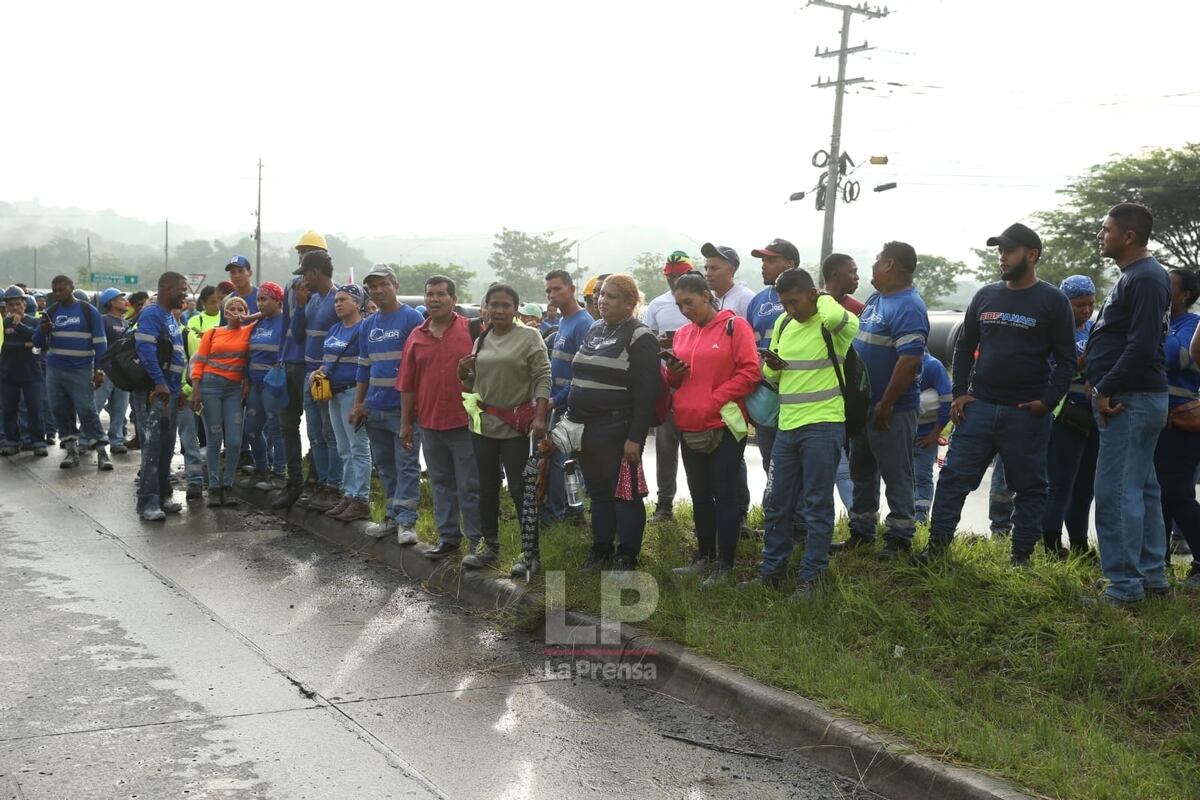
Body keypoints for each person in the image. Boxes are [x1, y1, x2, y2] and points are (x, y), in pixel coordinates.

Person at [913, 224, 1074, 566]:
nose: (1002, 257)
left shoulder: (1053, 300)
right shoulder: (985, 295)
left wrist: (1047, 402)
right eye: (1000, 250)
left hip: (1025, 412)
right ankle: (936, 549)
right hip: (979, 407)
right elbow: (964, 344)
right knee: (954, 478)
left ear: (1032, 255)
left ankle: (1021, 557)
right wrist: (959, 393)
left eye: (1009, 250)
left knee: (1029, 488)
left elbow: (1066, 360)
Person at [742, 268, 860, 598]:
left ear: (813, 294)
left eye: (795, 301)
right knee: (777, 501)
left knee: (816, 502)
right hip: (788, 425)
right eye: (784, 304)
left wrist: (821, 295)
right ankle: (772, 570)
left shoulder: (835, 322)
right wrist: (772, 366)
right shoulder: (783, 324)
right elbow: (772, 376)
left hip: (823, 425)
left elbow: (839, 317)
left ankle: (812, 575)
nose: (790, 310)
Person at [1084, 203, 1172, 605]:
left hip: (1129, 398)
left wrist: (1104, 387)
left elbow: (1142, 345)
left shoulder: (1147, 278)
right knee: (1143, 489)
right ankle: (1152, 577)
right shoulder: (1136, 277)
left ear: (1129, 236)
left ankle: (1122, 588)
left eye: (1106, 229)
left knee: (1117, 493)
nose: (1101, 235)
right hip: (1136, 396)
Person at [833, 242, 929, 559]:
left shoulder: (909, 305)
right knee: (862, 472)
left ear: (889, 264)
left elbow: (909, 360)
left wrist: (886, 404)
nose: (871, 267)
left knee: (897, 474)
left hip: (892, 410)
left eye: (875, 261)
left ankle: (899, 537)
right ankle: (861, 531)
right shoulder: (876, 300)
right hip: (863, 407)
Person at [666, 272, 759, 586]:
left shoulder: (735, 327)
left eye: (689, 302)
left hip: (725, 424)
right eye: (679, 304)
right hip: (689, 424)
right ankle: (704, 555)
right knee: (699, 495)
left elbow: (750, 372)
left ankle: (725, 562)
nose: (684, 309)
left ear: (706, 295)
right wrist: (673, 375)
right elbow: (675, 382)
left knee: (724, 493)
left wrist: (715, 399)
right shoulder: (681, 334)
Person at [567, 274, 661, 573]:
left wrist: (636, 438)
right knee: (597, 494)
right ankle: (602, 549)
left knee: (626, 494)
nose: (601, 300)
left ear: (631, 302)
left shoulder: (640, 336)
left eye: (611, 296)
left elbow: (647, 394)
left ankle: (627, 556)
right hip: (586, 429)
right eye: (600, 294)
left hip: (618, 430)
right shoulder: (595, 329)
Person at [457, 283, 551, 572]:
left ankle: (529, 554)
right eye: (493, 305)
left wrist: (539, 416)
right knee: (486, 487)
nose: (499, 310)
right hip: (483, 425)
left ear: (516, 309)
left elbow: (543, 377)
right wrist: (463, 373)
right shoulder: (481, 338)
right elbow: (471, 384)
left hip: (515, 427)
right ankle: (489, 546)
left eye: (505, 305)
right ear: (485, 307)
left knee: (521, 488)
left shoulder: (529, 336)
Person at [399, 276, 484, 559]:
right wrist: (405, 424)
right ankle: (448, 539)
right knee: (441, 484)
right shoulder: (416, 336)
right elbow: (408, 384)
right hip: (430, 424)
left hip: (467, 424)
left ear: (454, 299)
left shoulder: (473, 331)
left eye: (440, 295)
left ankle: (477, 543)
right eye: (429, 295)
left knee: (470, 486)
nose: (433, 300)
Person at [350, 265, 425, 537]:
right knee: (385, 467)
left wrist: (415, 406)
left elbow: (420, 365)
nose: (378, 290)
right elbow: (363, 367)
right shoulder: (368, 324)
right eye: (373, 286)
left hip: (403, 411)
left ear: (396, 285)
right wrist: (359, 403)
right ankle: (392, 518)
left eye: (384, 284)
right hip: (375, 409)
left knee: (406, 465)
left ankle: (407, 522)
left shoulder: (412, 319)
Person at [746, 238, 808, 538]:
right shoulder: (757, 300)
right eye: (762, 260)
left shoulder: (811, 298)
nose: (764, 264)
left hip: (800, 395)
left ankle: (800, 525)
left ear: (790, 264)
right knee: (772, 462)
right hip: (765, 396)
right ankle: (777, 524)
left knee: (800, 465)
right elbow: (748, 345)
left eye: (770, 260)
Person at [1041, 275, 1099, 558]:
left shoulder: (1095, 330)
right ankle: (1050, 542)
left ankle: (1079, 543)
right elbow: (1053, 371)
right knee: (1060, 484)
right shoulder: (1055, 332)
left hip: (1093, 418)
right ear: (1066, 304)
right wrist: (1085, 360)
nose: (1086, 310)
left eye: (1090, 304)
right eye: (1079, 305)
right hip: (1064, 418)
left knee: (1085, 488)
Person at [272, 234, 327, 510]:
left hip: (316, 369)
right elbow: (287, 328)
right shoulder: (292, 286)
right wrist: (280, 358)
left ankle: (317, 481)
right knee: (288, 425)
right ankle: (294, 482)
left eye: (309, 253)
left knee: (319, 429)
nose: (302, 258)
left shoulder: (332, 293)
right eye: (301, 253)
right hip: (291, 365)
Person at [33, 275, 111, 470]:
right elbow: (37, 343)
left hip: (81, 370)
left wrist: (99, 369)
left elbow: (101, 344)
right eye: (55, 290)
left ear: (71, 288)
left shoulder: (88, 311)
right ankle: (71, 452)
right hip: (55, 371)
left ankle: (102, 453)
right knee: (60, 410)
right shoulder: (50, 312)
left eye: (62, 289)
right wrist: (42, 330)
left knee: (87, 410)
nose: (58, 293)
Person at [1155, 267, 1200, 587]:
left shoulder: (1192, 324)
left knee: (1178, 493)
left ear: (1184, 294)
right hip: (1157, 422)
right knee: (1157, 494)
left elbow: (1176, 356)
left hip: (1182, 422)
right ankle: (1159, 562)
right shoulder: (1161, 322)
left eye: (1167, 285)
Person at [133, 272, 189, 521]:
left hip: (170, 394)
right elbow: (145, 349)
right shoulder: (152, 314)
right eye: (182, 289)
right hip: (154, 393)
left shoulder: (170, 318)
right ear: (167, 288)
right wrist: (159, 381)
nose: (185, 294)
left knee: (166, 447)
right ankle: (147, 502)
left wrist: (177, 391)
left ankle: (162, 495)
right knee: (153, 447)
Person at [290, 248, 342, 512]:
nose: (302, 281)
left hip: (327, 375)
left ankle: (334, 486)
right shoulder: (309, 300)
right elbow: (299, 335)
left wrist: (328, 368)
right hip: (309, 373)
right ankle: (321, 483)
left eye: (304, 274)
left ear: (314, 272)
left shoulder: (338, 299)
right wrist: (299, 307)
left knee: (329, 432)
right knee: (314, 434)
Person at [314, 284, 372, 522]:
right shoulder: (334, 330)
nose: (337, 304)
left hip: (352, 393)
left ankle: (361, 498)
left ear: (357, 303)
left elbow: (367, 365)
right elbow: (327, 360)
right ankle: (348, 494)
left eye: (343, 300)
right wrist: (317, 372)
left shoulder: (363, 329)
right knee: (343, 448)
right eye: (336, 300)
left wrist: (362, 401)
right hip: (333, 394)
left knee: (358, 446)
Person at [642, 252, 693, 522]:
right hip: (668, 387)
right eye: (670, 276)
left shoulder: (703, 302)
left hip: (697, 387)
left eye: (679, 275)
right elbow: (647, 342)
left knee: (698, 450)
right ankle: (664, 505)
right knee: (665, 447)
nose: (674, 280)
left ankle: (704, 505)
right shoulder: (658, 305)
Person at [191, 294, 253, 507]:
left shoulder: (249, 331)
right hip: (209, 388)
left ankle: (228, 486)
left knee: (235, 441)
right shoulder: (212, 333)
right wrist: (196, 391)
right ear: (224, 312)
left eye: (241, 308)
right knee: (214, 439)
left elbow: (267, 316)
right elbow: (199, 363)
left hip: (233, 390)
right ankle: (215, 488)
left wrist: (247, 317)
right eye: (231, 308)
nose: (236, 312)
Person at [542, 269, 593, 526]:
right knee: (565, 461)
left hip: (569, 405)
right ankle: (573, 511)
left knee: (562, 460)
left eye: (557, 289)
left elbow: (582, 375)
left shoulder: (583, 323)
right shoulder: (562, 322)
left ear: (572, 289)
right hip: (557, 403)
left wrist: (556, 400)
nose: (552, 294)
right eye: (548, 290)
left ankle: (557, 514)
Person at [240, 281, 288, 492]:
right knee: (251, 430)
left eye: (264, 299)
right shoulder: (258, 324)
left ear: (278, 300)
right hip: (255, 385)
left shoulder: (285, 322)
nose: (259, 303)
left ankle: (279, 474)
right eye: (258, 299)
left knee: (277, 430)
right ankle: (261, 468)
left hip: (273, 385)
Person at [1, 286, 46, 457]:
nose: (14, 308)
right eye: (10, 305)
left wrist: (18, 325)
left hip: (31, 374)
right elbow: (4, 346)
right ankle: (12, 441)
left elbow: (37, 340)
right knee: (9, 410)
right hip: (8, 375)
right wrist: (24, 345)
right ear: (6, 307)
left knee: (35, 408)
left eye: (17, 304)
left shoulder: (34, 322)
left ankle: (37, 442)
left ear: (24, 305)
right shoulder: (2, 324)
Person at [913, 352, 952, 524]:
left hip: (924, 437)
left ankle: (920, 518)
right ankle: (905, 516)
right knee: (904, 478)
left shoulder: (932, 366)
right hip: (902, 435)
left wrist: (934, 434)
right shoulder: (895, 361)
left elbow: (947, 399)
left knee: (922, 476)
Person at [93, 288, 131, 455]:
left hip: (124, 374)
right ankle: (88, 437)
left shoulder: (127, 323)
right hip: (107, 372)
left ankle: (117, 440)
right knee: (96, 405)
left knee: (120, 408)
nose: (125, 302)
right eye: (120, 299)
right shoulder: (104, 320)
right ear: (111, 303)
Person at [702, 243, 755, 318]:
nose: (707, 274)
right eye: (706, 268)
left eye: (714, 268)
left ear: (731, 271)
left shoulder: (746, 299)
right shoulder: (705, 299)